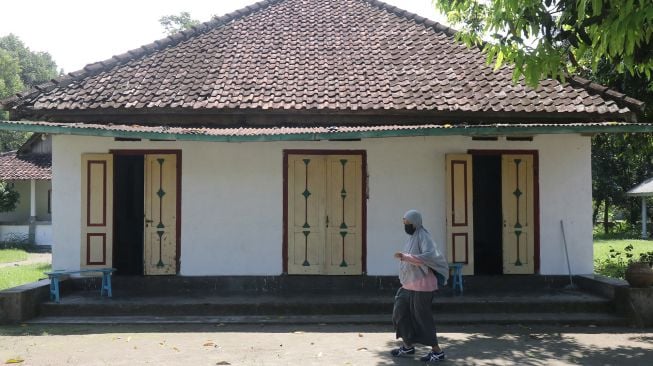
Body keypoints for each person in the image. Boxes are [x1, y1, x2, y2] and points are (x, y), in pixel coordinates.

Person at [391, 209, 449, 363]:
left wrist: (405, 257)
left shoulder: (424, 236)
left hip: (423, 286)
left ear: (416, 222)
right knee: (400, 312)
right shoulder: (412, 238)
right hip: (408, 285)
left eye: (408, 223)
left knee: (422, 318)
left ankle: (437, 351)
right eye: (404, 223)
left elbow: (429, 256)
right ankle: (407, 346)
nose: (406, 226)